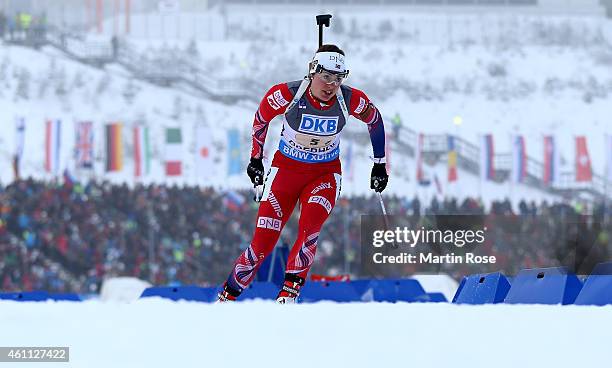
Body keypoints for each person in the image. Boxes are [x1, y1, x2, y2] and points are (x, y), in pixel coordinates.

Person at [217, 44, 389, 303]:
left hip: (324, 174)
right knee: (262, 243)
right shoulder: (288, 93)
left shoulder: (350, 99)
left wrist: (379, 163)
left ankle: (289, 294)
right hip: (286, 171)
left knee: (310, 228)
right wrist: (256, 159)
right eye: (326, 76)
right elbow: (261, 119)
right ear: (312, 71)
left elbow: (375, 120)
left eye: (338, 78)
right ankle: (227, 296)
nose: (331, 85)